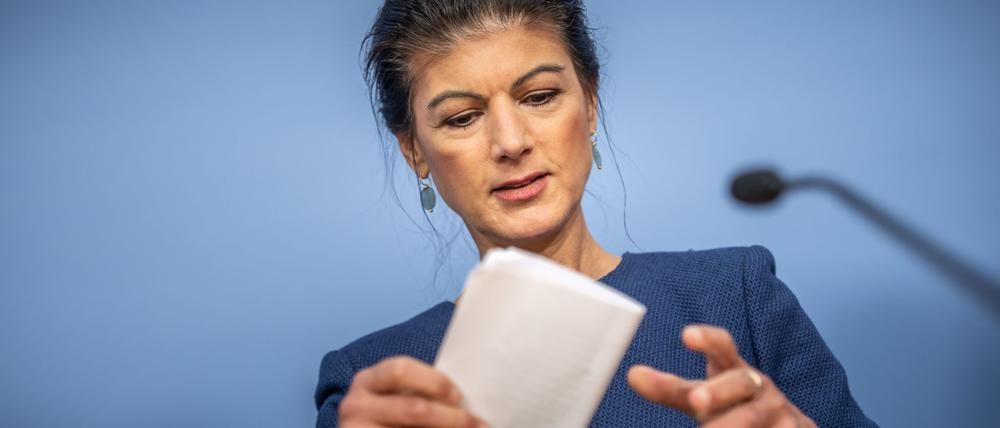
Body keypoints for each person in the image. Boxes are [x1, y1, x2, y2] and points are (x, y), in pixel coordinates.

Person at [315, 1, 876, 426]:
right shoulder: (370, 383)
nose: (511, 142)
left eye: (538, 97)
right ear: (414, 149)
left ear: (590, 103)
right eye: (462, 117)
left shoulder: (737, 295)